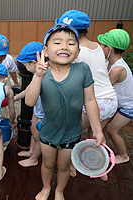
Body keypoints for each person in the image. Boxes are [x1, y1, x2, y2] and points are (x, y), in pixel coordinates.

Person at [25, 24, 105, 200]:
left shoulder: (82, 69)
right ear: (45, 50)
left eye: (70, 43)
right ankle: (46, 188)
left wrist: (98, 130)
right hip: (47, 132)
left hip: (72, 134)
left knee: (63, 166)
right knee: (47, 163)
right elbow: (29, 101)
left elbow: (90, 100)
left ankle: (59, 190)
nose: (64, 47)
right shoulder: (42, 73)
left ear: (77, 51)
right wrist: (37, 76)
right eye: (57, 42)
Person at [56, 10, 118, 180]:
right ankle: (102, 170)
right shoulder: (97, 46)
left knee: (71, 133)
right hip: (110, 100)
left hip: (95, 100)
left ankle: (71, 166)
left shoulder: (76, 52)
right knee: (96, 134)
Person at [98, 29, 133, 164]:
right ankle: (100, 151)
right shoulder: (109, 63)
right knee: (101, 128)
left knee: (112, 130)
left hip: (128, 107)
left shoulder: (118, 69)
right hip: (118, 103)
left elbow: (103, 89)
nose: (100, 47)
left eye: (102, 45)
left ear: (108, 48)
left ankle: (124, 155)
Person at [13, 42, 44, 167]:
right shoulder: (36, 75)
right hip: (37, 110)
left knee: (37, 136)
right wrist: (14, 98)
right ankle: (31, 151)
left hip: (44, 113)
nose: (25, 68)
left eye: (26, 65)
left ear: (33, 62)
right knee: (32, 130)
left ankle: (34, 158)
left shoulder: (43, 75)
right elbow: (27, 91)